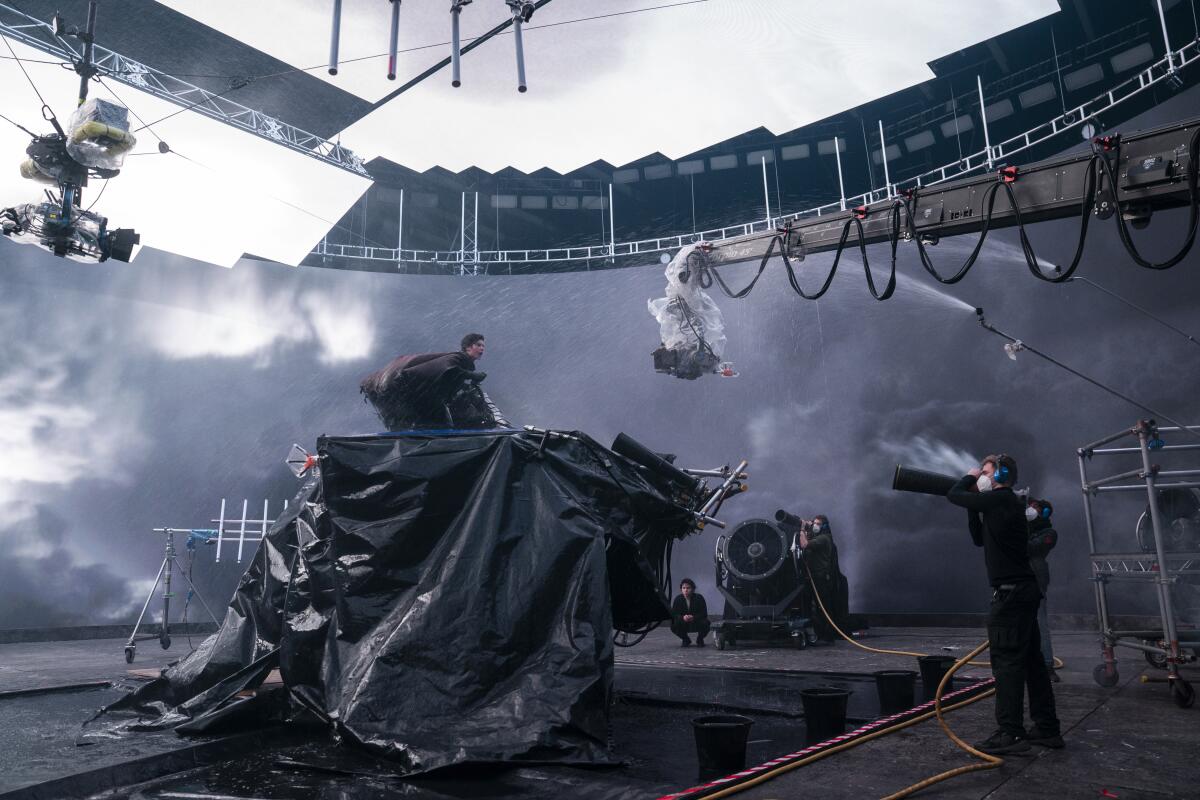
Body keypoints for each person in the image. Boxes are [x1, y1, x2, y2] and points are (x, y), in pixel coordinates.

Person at [947, 454, 1063, 754]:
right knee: (1033, 663)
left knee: (1007, 664)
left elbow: (953, 494)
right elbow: (978, 539)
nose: (981, 477)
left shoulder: (1002, 499)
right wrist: (973, 504)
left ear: (999, 475)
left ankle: (1010, 733)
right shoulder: (1001, 505)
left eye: (986, 472)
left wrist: (969, 478)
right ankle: (1047, 728)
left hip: (1012, 596)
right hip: (1022, 593)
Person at [360, 333, 505, 430]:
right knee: (442, 426)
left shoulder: (461, 362)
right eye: (478, 345)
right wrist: (473, 376)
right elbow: (449, 370)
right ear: (468, 347)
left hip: (411, 396)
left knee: (430, 426)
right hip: (411, 393)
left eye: (483, 346)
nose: (482, 348)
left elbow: (448, 379)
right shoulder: (458, 358)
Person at [798, 515, 848, 643]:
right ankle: (817, 633)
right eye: (814, 523)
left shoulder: (824, 538)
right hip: (813, 577)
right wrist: (807, 529)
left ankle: (828, 636)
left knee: (823, 607)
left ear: (824, 526)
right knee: (811, 606)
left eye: (818, 523)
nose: (815, 525)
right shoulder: (817, 537)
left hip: (820, 578)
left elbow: (804, 544)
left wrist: (802, 528)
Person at [1027, 497, 1060, 682]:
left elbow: (1031, 548)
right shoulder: (1025, 528)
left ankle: (1047, 665)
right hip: (1018, 576)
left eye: (1035, 508)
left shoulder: (1049, 533)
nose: (1031, 509)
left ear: (1045, 513)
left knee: (1040, 622)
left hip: (1035, 579)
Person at [670, 578, 711, 647]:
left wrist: (693, 617)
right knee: (673, 625)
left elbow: (704, 613)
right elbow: (674, 614)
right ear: (681, 589)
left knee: (706, 623)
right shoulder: (678, 599)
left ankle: (700, 639)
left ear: (693, 589)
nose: (686, 590)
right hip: (683, 622)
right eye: (683, 588)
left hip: (696, 621)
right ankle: (685, 639)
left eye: (688, 588)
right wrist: (683, 617)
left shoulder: (699, 598)